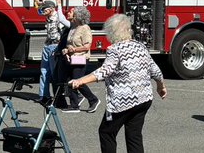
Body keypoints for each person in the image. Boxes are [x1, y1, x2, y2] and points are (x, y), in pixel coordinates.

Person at [70, 13, 167, 153]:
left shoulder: (114, 50)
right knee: (134, 136)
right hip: (144, 98)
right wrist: (161, 86)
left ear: (111, 32)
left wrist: (80, 80)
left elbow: (105, 70)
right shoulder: (140, 46)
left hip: (123, 101)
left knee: (106, 132)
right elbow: (155, 70)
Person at [61, 5, 100, 113]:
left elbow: (87, 46)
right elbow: (70, 43)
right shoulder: (73, 27)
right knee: (69, 80)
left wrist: (73, 50)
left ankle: (93, 100)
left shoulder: (85, 28)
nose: (69, 12)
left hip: (81, 58)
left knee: (78, 80)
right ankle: (74, 105)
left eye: (72, 11)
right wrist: (66, 50)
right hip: (72, 57)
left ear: (78, 15)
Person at [38, 0, 70, 106]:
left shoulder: (58, 18)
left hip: (54, 46)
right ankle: (43, 96)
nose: (42, 11)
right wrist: (40, 2)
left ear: (51, 9)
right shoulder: (47, 16)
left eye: (44, 9)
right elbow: (38, 10)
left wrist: (59, 48)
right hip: (47, 46)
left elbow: (64, 33)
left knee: (53, 73)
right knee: (43, 71)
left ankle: (57, 97)